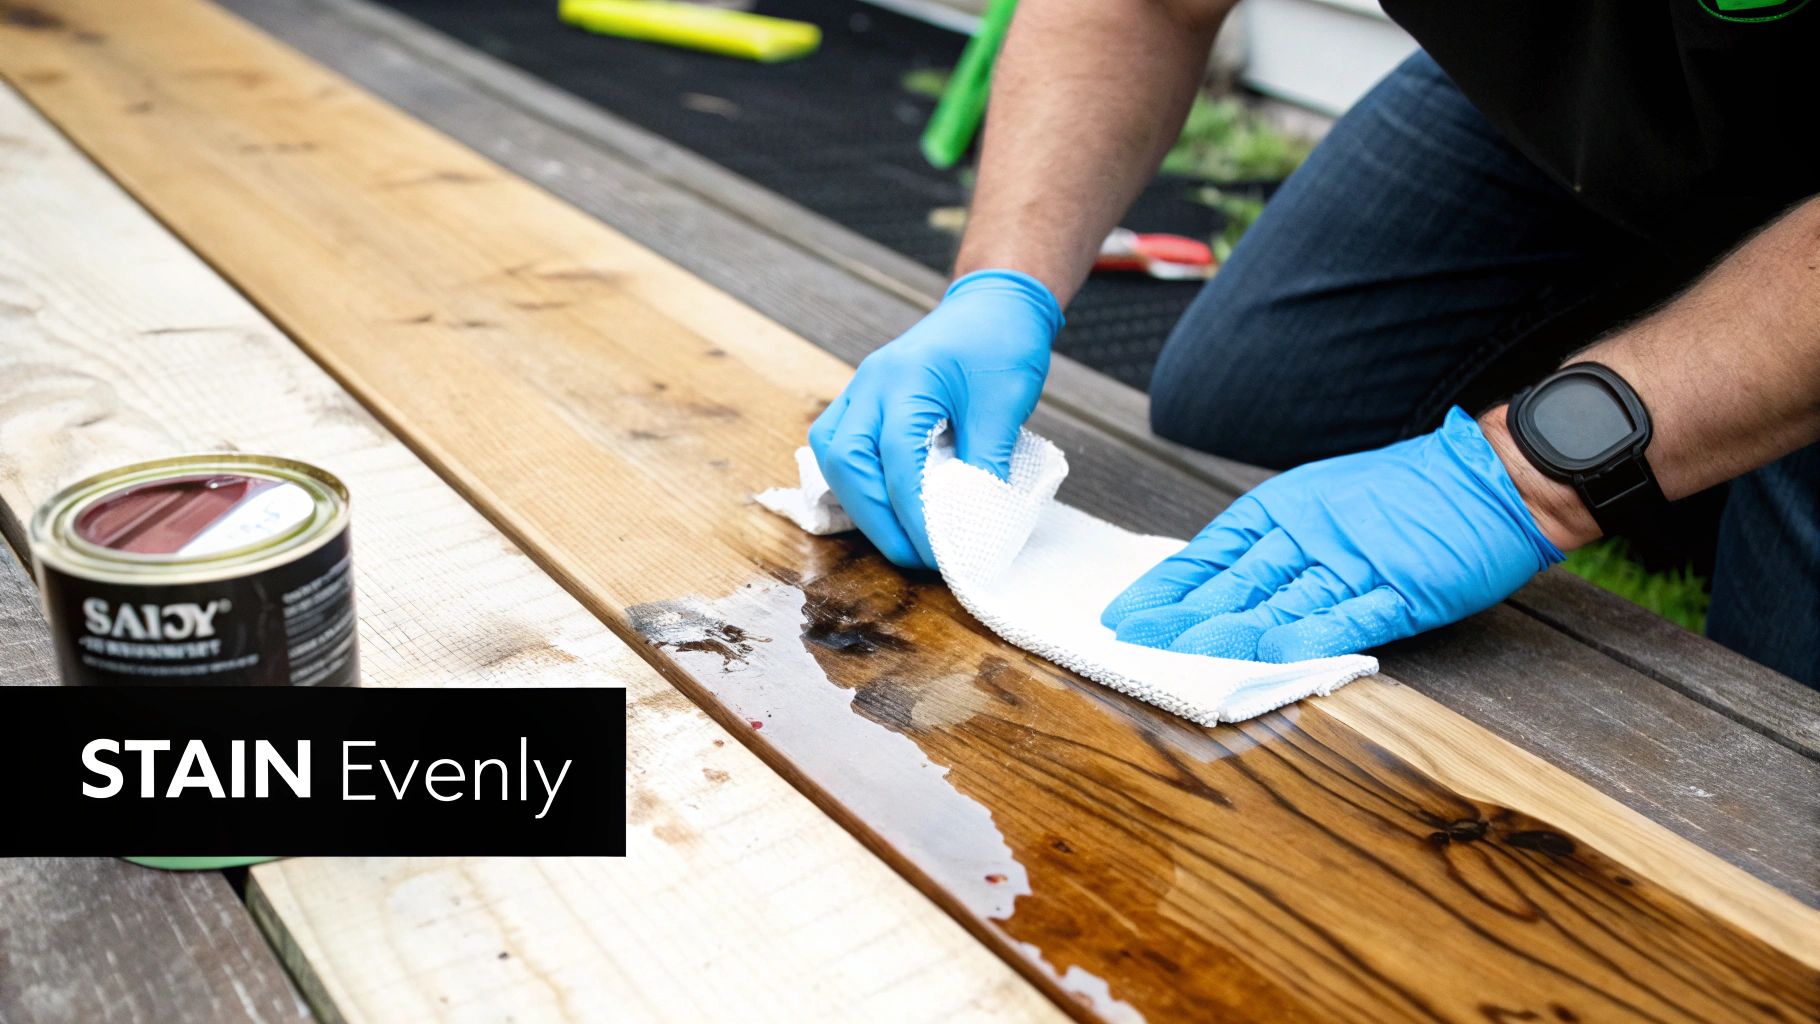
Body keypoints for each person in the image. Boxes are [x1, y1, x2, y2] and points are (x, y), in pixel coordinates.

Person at [808, 0, 1819, 687]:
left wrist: (1539, 472)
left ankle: (1733, 417)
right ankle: (1712, 366)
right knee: (1246, 400)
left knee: (1777, 694)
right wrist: (1003, 282)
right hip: (1578, 81)